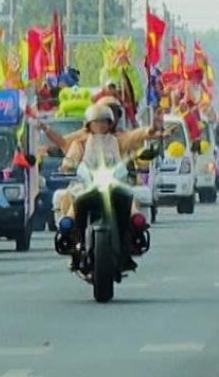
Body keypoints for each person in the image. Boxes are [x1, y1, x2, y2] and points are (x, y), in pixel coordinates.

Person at [33, 102, 162, 271]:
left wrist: (151, 129)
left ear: (110, 123)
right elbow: (70, 159)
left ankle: (135, 229)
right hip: (86, 184)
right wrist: (67, 165)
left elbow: (136, 136)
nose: (100, 125)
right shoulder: (80, 143)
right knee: (71, 200)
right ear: (89, 124)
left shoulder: (118, 140)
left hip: (114, 183)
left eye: (104, 121)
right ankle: (69, 231)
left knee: (131, 199)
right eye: (96, 122)